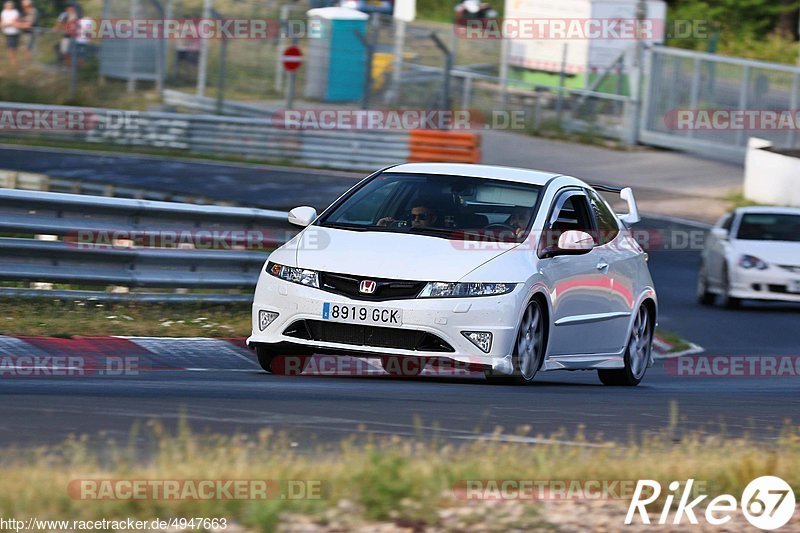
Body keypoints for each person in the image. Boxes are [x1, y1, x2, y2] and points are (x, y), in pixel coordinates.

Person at [1, 0, 20, 67]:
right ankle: (11, 61)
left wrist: (5, 24)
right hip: (7, 32)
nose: (8, 6)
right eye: (7, 5)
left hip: (14, 32)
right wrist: (5, 24)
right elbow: (2, 21)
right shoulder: (3, 12)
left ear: (12, 6)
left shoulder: (15, 12)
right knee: (9, 47)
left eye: (9, 5)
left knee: (14, 47)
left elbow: (14, 21)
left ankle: (14, 60)